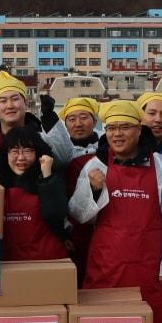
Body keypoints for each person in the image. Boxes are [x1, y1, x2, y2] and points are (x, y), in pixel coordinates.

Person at [69, 100, 162, 323]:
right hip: (107, 265)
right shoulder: (95, 165)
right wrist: (93, 189)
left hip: (151, 268)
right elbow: (79, 215)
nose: (117, 134)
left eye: (125, 127)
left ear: (139, 130)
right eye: (111, 128)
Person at [0, 127, 67, 261]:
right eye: (14, 151)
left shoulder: (49, 178)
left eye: (28, 151)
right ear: (5, 154)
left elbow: (57, 214)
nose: (21, 157)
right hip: (8, 264)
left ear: (38, 154)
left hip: (48, 263)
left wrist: (47, 177)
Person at [0, 71, 73, 170]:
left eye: (15, 99)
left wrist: (50, 117)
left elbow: (66, 158)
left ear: (25, 103)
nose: (9, 106)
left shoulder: (43, 139)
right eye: (3, 101)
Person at [58, 97, 101, 280]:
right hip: (72, 231)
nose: (78, 124)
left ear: (95, 121)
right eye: (72, 119)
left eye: (84, 117)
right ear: (65, 124)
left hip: (102, 227)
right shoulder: (59, 153)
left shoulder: (107, 149)